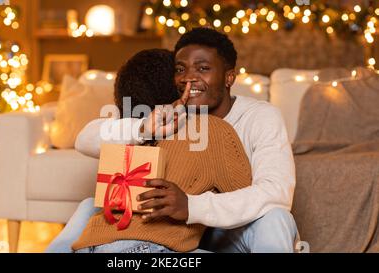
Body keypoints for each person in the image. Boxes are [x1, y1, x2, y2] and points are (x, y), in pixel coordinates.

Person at [46, 28, 298, 253]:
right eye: (180, 69)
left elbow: (276, 192)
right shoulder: (172, 115)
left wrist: (191, 206)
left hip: (227, 229)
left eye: (203, 68)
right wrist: (143, 127)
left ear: (229, 77)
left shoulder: (260, 116)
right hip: (177, 235)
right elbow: (85, 139)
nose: (188, 78)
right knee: (91, 205)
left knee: (276, 217)